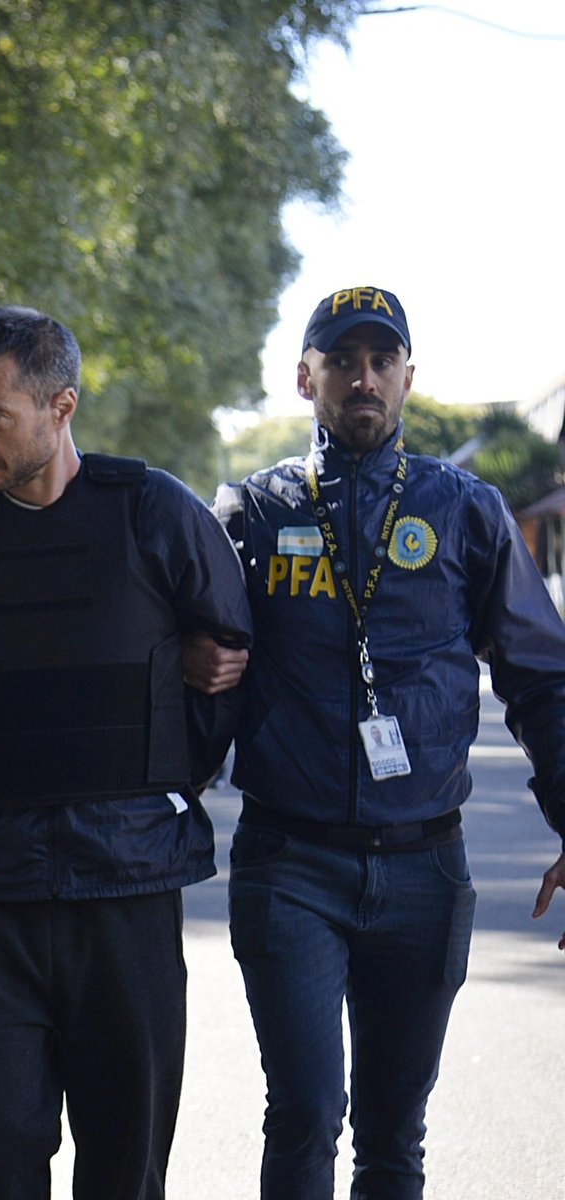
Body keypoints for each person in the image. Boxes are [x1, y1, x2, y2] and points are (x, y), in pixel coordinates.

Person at [0, 305, 251, 1200]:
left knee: (126, 1161)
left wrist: (165, 762)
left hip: (127, 887)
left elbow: (229, 662)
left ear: (61, 406)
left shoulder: (156, 513)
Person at [193, 285, 565, 1199]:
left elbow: (541, 678)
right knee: (307, 1113)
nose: (363, 378)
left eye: (381, 361)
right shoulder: (253, 509)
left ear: (407, 377)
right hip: (290, 863)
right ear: (304, 375)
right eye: (342, 361)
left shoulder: (465, 509)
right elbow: (176, 656)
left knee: (395, 1135)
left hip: (424, 872)